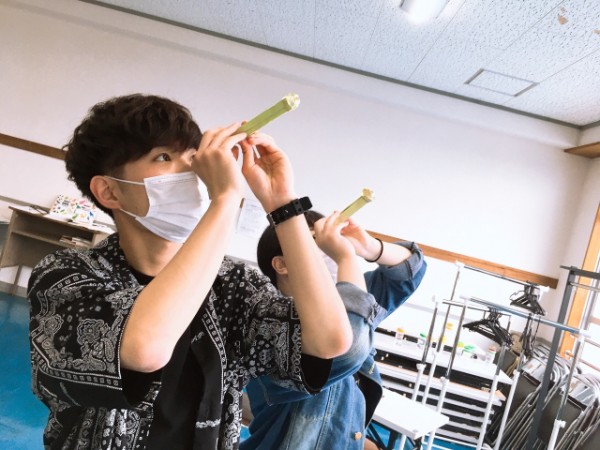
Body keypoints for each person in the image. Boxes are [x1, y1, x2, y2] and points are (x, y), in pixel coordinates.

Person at [27, 93, 366, 450]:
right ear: (109, 191)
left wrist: (282, 203)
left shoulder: (233, 283)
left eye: (191, 156)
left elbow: (330, 341)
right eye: (163, 157)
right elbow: (144, 348)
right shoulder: (67, 275)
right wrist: (225, 200)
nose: (193, 170)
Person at [241, 211, 426, 450]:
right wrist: (346, 259)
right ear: (282, 264)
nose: (328, 247)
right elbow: (349, 346)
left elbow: (411, 270)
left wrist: (369, 247)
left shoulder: (341, 302)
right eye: (314, 240)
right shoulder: (268, 324)